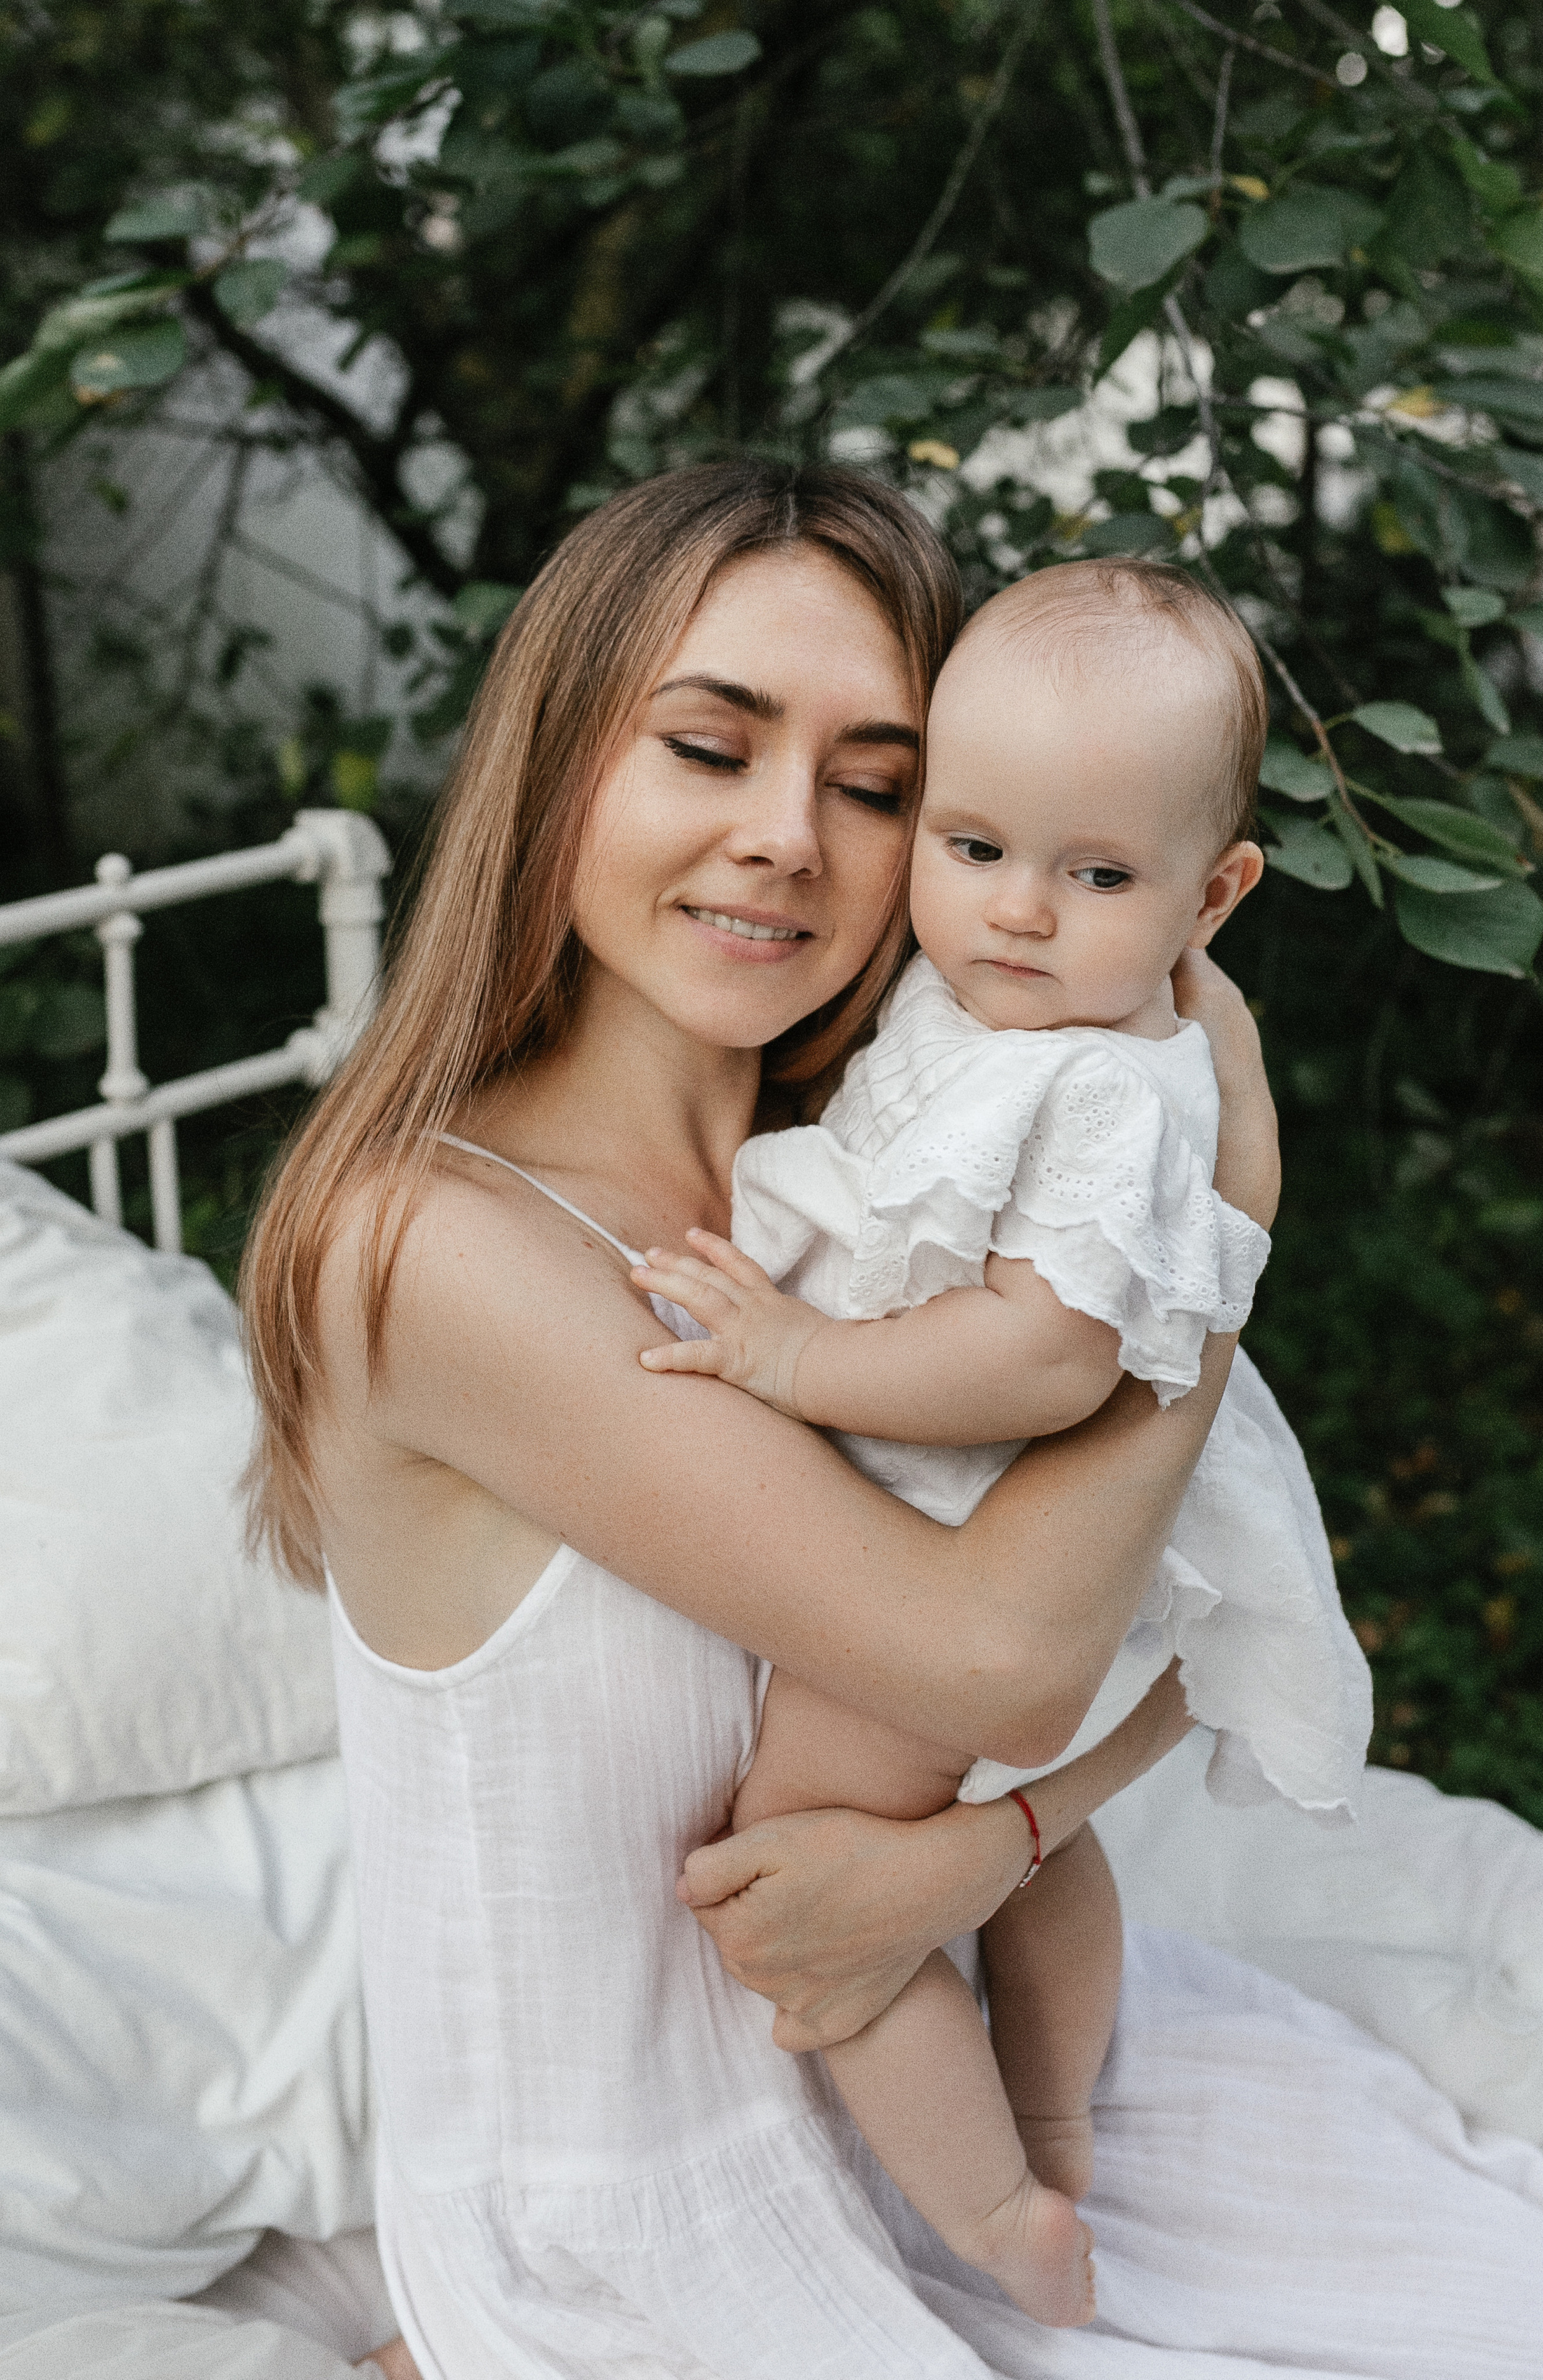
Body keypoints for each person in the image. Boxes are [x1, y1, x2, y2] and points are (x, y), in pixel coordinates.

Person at [239, 462, 1281, 2376]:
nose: (789, 836)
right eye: (708, 747)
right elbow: (1003, 1656)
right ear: (558, 764)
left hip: (914, 2126)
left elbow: (1202, 1617)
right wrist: (1226, 1226)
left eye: (876, 786)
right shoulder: (428, 1248)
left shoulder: (870, 1199)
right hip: (629, 2235)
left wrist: (990, 1852)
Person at [630, 558, 1373, 2325]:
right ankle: (1057, 2118)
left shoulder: (1111, 1089)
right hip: (1014, 1504)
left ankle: (992, 2215)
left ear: (1219, 892)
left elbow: (1043, 1361)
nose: (1023, 913)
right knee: (1037, 1858)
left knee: (811, 1845)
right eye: (972, 850)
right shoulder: (1005, 1010)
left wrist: (801, 1356)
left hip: (983, 1499)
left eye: (1101, 875)